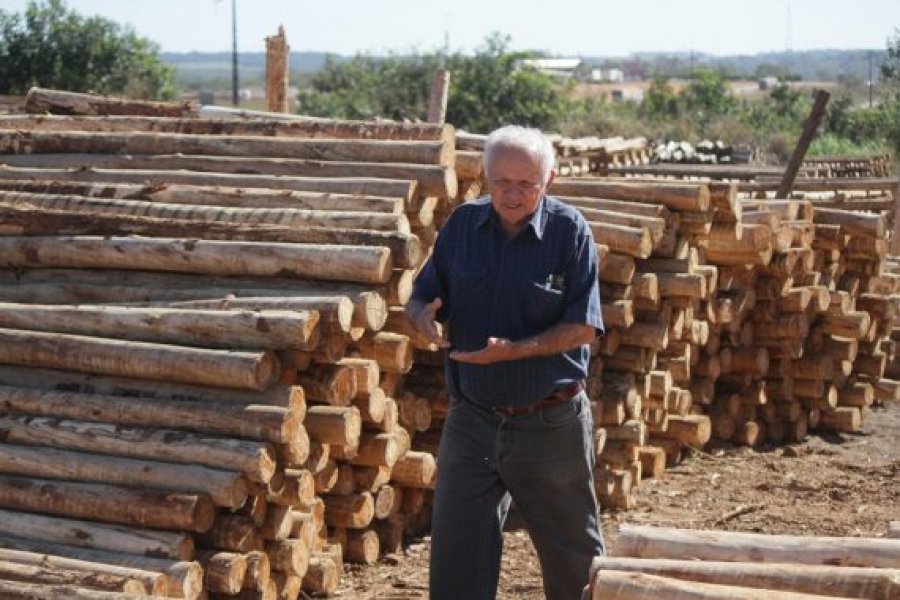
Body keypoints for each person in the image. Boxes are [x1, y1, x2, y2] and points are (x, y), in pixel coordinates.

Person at [406, 124, 606, 599]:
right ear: (485, 176)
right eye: (502, 182)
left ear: (549, 180)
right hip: (471, 419)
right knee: (457, 559)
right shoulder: (462, 226)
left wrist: (516, 351)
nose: (513, 194)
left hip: (550, 421)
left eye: (526, 183)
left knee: (573, 559)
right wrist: (422, 318)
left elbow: (584, 326)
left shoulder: (569, 232)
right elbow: (419, 297)